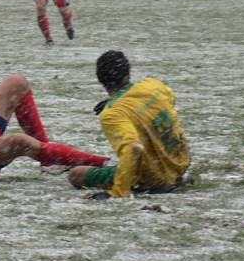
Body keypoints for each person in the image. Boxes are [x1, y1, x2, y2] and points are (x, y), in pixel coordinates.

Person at [68, 50, 192, 199]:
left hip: (154, 175)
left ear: (100, 79)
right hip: (180, 162)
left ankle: (154, 182)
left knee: (76, 175)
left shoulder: (113, 114)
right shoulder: (152, 85)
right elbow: (169, 99)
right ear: (128, 72)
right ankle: (175, 175)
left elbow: (133, 148)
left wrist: (119, 192)